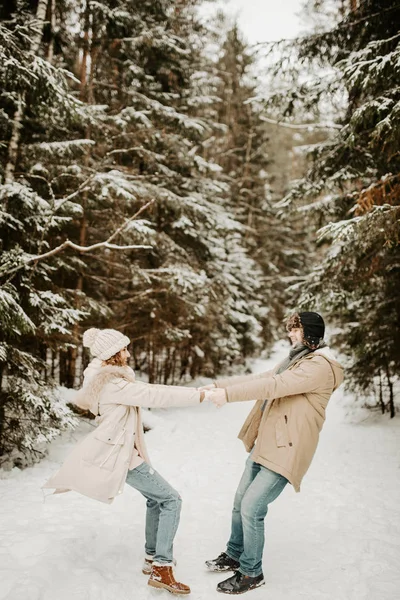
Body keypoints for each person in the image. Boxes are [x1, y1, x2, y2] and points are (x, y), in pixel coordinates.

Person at [44, 327, 206, 596]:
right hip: (120, 455)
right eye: (123, 349)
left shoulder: (102, 378)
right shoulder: (114, 385)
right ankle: (161, 567)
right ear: (113, 355)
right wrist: (200, 394)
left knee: (157, 499)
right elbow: (156, 394)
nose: (128, 353)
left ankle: (151, 557)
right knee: (171, 500)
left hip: (124, 452)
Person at [203, 312, 344, 595]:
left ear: (311, 335)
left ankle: (251, 573)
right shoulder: (295, 360)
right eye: (291, 329)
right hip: (267, 442)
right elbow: (265, 376)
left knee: (252, 507)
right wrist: (220, 386)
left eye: (296, 329)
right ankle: (234, 553)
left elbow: (275, 386)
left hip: (287, 448)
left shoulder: (318, 367)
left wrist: (228, 397)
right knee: (239, 501)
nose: (291, 334)